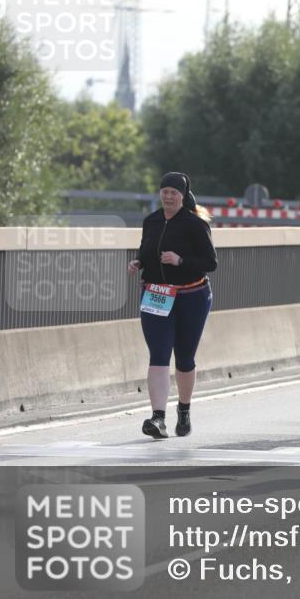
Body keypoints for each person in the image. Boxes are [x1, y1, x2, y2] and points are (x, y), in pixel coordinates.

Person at [128, 172, 217, 439]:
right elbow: (146, 251)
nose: (168, 196)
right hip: (156, 295)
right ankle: (158, 418)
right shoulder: (151, 221)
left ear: (182, 196)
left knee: (185, 359)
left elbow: (210, 263)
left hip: (192, 296)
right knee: (158, 355)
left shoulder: (195, 224)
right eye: (164, 191)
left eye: (173, 193)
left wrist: (180, 261)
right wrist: (138, 263)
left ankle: (184, 409)